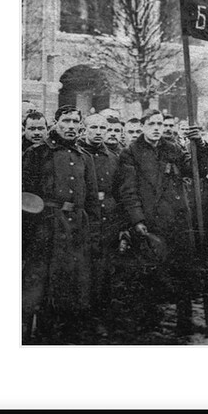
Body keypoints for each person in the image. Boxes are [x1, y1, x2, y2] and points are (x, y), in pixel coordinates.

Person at [117, 109, 208, 334]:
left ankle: (184, 320)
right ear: (144, 125)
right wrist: (137, 218)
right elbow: (128, 190)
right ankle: (148, 320)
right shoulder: (131, 152)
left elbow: (196, 171)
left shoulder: (173, 148)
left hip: (178, 219)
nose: (157, 128)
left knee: (184, 270)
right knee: (151, 271)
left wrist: (199, 145)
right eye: (152, 124)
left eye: (160, 124)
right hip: (151, 220)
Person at [22, 105, 99, 343]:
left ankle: (64, 337)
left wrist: (93, 233)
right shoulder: (37, 153)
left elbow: (92, 199)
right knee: (42, 287)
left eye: (76, 122)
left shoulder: (84, 156)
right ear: (55, 123)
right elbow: (24, 194)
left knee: (73, 284)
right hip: (46, 229)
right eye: (66, 121)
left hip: (77, 228)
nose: (71, 126)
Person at [81, 112, 123, 337]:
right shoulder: (78, 155)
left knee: (106, 269)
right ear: (84, 129)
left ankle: (102, 316)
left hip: (109, 217)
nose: (98, 132)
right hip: (86, 217)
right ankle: (84, 317)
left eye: (102, 129)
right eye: (93, 128)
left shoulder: (113, 157)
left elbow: (119, 189)